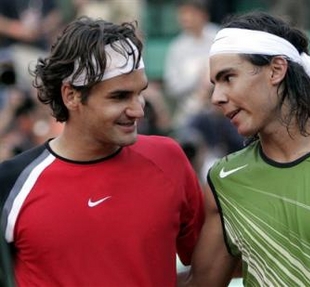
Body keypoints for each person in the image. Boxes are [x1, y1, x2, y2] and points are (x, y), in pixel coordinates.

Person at [0, 16, 204, 286]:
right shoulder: (10, 183)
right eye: (119, 96)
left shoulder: (168, 158)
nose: (138, 110)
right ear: (71, 95)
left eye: (140, 92)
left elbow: (211, 266)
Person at [180, 11, 310, 286]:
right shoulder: (223, 179)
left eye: (228, 78)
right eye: (214, 84)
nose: (216, 97)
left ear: (276, 70)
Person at [163, 0, 219, 114]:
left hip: (219, 107)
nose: (186, 18)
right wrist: (196, 77)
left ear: (204, 14)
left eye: (191, 13)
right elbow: (172, 87)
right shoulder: (177, 47)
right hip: (189, 110)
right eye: (182, 13)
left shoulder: (218, 36)